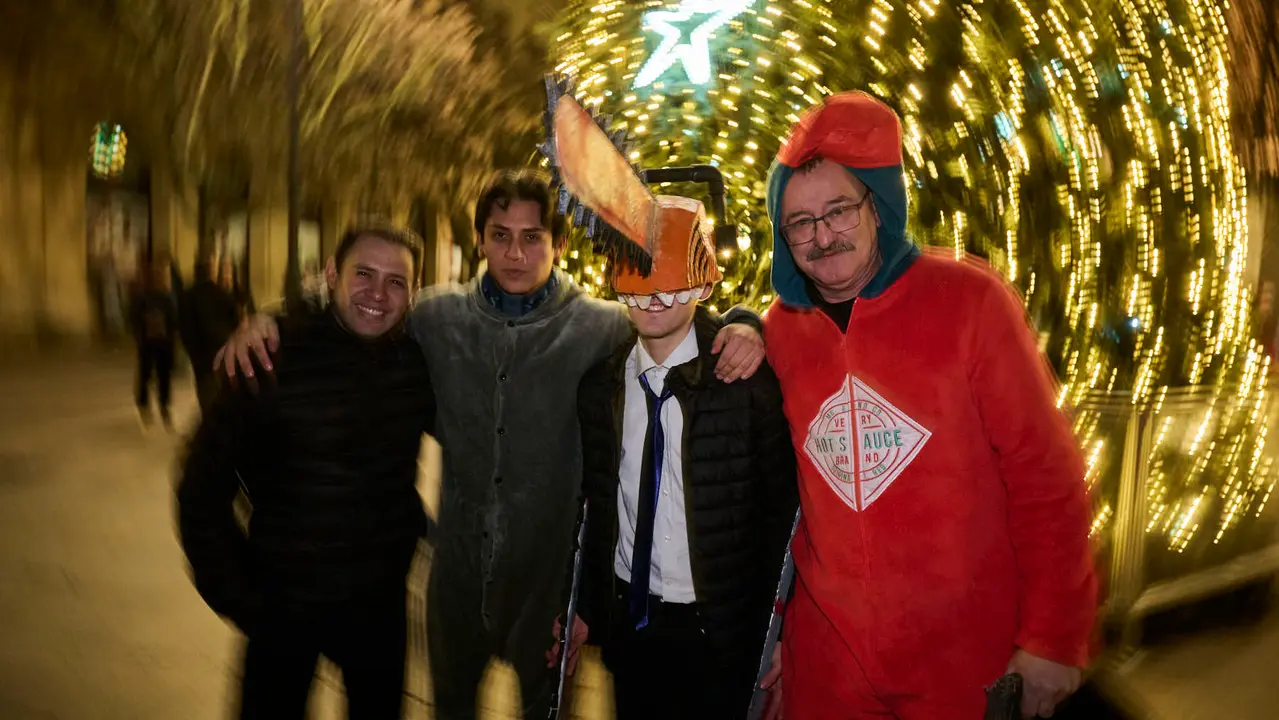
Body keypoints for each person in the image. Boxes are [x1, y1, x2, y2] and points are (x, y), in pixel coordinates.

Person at [213, 171, 766, 719]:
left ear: (559, 243)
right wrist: (273, 318)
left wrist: (743, 324)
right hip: (455, 586)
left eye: (532, 237)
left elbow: (670, 313)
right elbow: (364, 303)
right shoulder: (436, 317)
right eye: (500, 235)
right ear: (480, 239)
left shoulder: (600, 328)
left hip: (546, 594)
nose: (515, 253)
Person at [756, 92, 1097, 719]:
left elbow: (1044, 476)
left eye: (839, 211)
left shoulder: (971, 302)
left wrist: (1054, 635)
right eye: (800, 222)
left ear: (877, 208)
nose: (822, 236)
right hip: (830, 668)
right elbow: (779, 505)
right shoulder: (778, 332)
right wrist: (773, 641)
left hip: (966, 663)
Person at [177, 226, 435, 719]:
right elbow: (200, 489)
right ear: (332, 274)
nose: (377, 294)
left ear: (414, 292)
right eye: (363, 273)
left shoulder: (417, 364)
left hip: (378, 613)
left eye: (395, 281)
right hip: (282, 607)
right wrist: (242, 599)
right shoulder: (268, 354)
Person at [557, 190, 798, 718]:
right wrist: (585, 607)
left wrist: (785, 631)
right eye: (639, 283)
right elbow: (598, 505)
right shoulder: (600, 388)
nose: (654, 297)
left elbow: (782, 516)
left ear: (703, 280)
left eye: (671, 281)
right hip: (632, 624)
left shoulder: (747, 385)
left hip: (723, 634)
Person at [180, 256, 242, 412]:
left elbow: (183, 324)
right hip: (220, 347)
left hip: (199, 351)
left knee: (203, 384)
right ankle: (217, 413)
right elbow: (235, 319)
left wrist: (189, 347)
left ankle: (208, 413)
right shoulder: (220, 294)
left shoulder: (188, 296)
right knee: (219, 384)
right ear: (211, 273)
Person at [131, 258, 179, 429]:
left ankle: (150, 406)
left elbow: (134, 319)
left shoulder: (146, 297)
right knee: (158, 376)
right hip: (158, 344)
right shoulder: (163, 298)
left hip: (151, 344)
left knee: (152, 376)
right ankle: (159, 407)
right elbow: (173, 323)